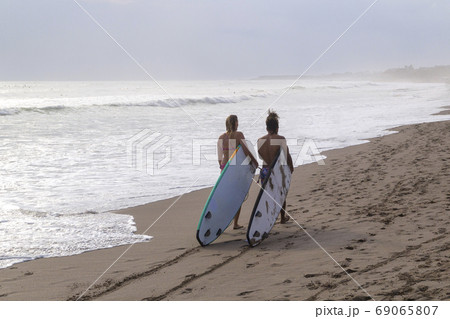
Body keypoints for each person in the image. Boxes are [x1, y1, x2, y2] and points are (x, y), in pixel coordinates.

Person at [217, 115, 258, 229]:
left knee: (225, 197)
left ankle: (219, 223)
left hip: (224, 169)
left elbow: (219, 158)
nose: (238, 123)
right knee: (238, 196)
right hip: (235, 169)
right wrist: (254, 162)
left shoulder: (221, 137)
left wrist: (222, 167)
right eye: (237, 122)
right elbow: (246, 151)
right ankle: (235, 223)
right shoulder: (239, 135)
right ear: (235, 123)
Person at [257, 111, 294, 224]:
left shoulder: (260, 141)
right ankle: (282, 218)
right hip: (275, 171)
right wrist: (290, 169)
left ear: (266, 127)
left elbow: (261, 156)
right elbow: (286, 156)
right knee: (281, 194)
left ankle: (267, 219)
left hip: (264, 171)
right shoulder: (280, 139)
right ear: (277, 127)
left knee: (267, 195)